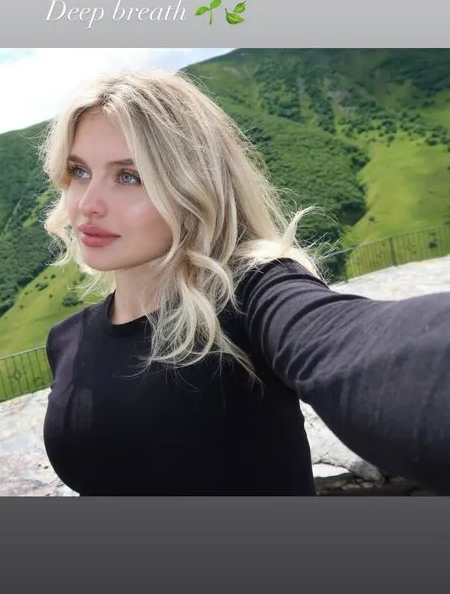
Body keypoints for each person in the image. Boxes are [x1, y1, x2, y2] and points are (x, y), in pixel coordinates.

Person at [39, 69, 450, 496]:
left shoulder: (251, 297)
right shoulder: (67, 341)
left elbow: (352, 343)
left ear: (192, 187)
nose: (87, 204)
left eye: (129, 176)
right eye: (79, 171)